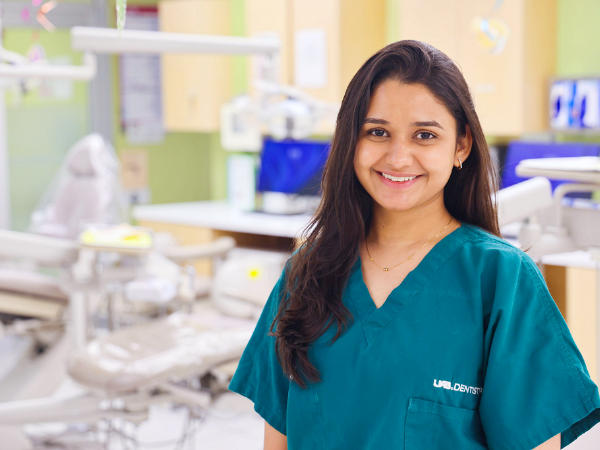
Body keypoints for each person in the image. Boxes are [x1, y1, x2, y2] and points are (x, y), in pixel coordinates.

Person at [228, 40, 600, 450]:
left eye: (424, 135)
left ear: (460, 147)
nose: (398, 157)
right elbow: (277, 440)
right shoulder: (308, 272)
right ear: (352, 142)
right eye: (377, 132)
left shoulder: (499, 280)